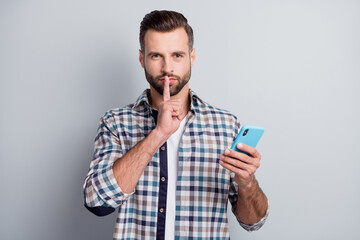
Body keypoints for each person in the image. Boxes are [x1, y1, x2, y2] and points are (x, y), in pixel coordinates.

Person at [83, 10, 269, 240]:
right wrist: (157, 135)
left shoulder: (226, 126)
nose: (167, 68)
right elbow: (97, 202)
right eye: (156, 56)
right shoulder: (115, 123)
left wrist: (247, 184)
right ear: (142, 59)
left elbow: (253, 222)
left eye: (177, 55)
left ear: (191, 57)